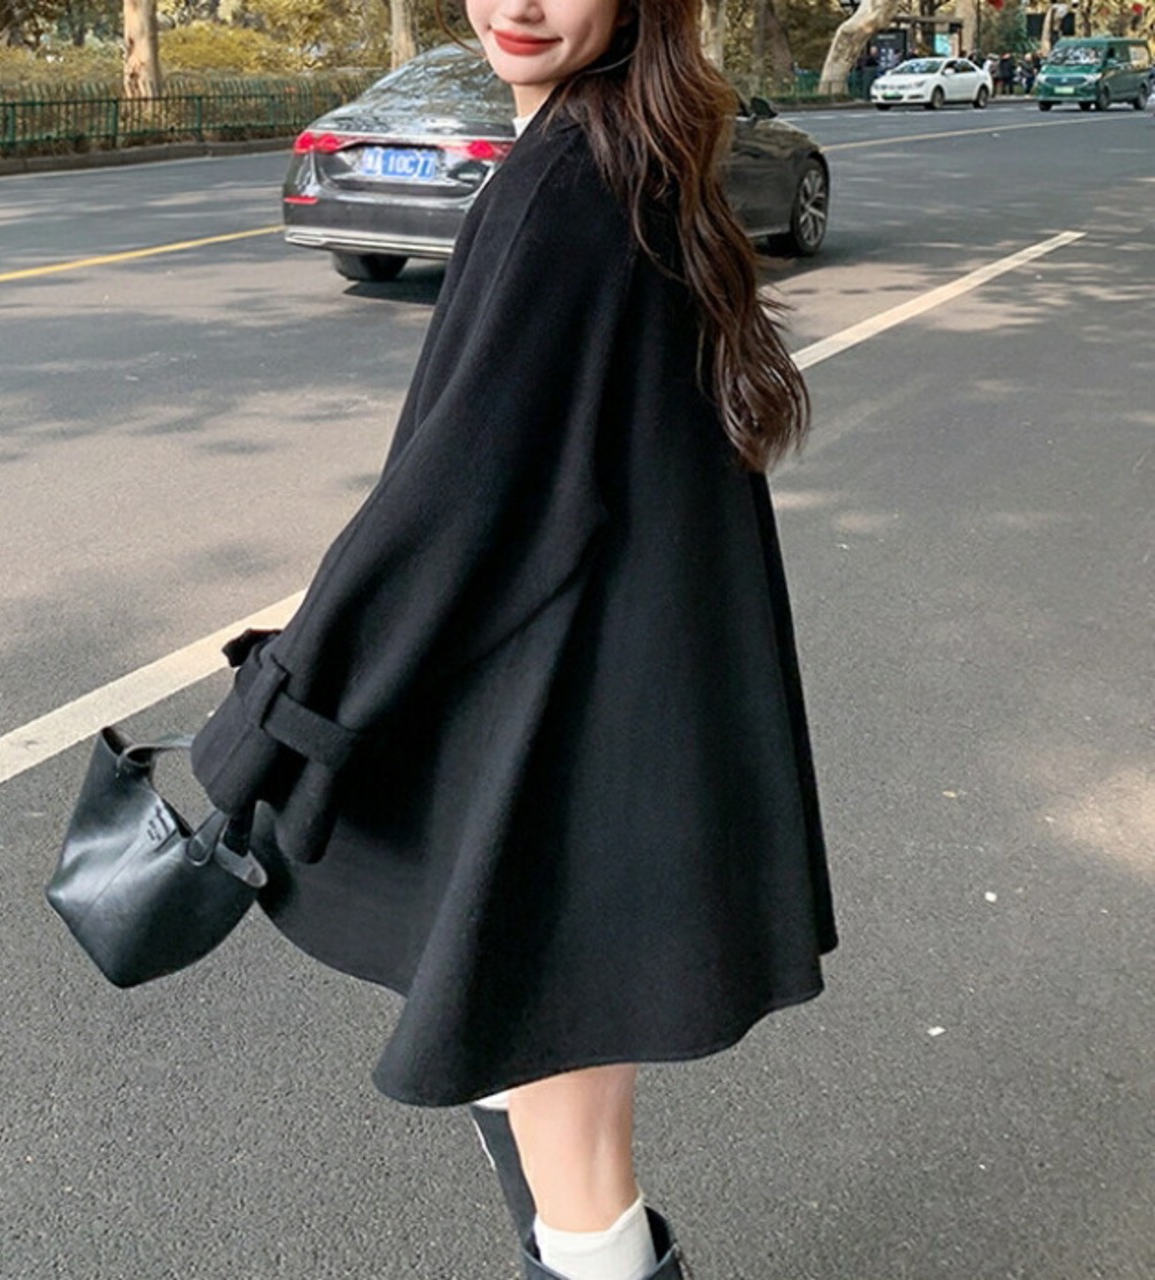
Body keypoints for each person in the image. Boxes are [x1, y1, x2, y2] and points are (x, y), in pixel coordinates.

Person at [191, 0, 838, 1276]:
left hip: (576, 726)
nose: (519, 5)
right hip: (620, 694)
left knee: (571, 1148)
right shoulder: (627, 148)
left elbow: (468, 494)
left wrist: (287, 693)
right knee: (520, 1071)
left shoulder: (571, 181)